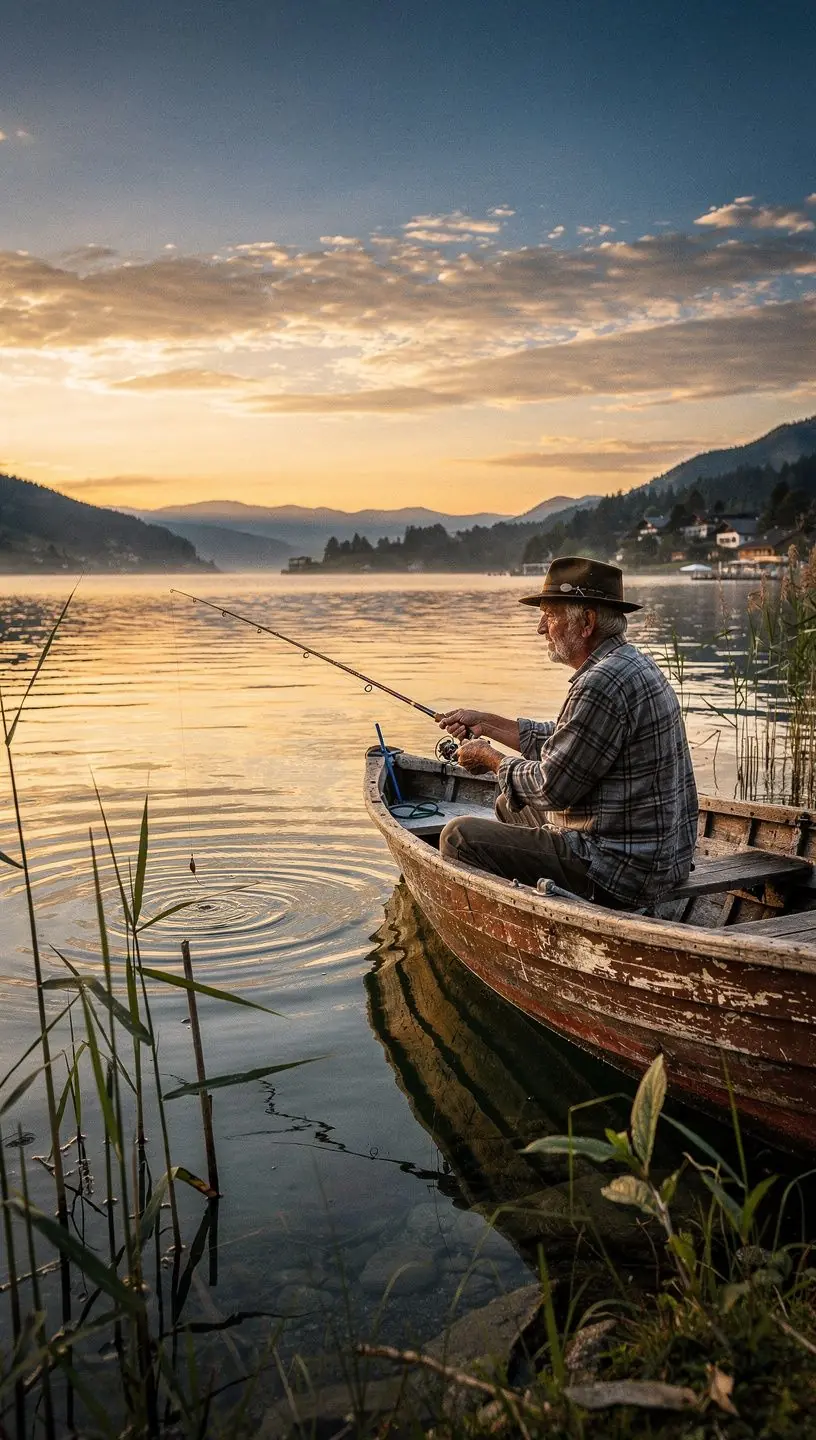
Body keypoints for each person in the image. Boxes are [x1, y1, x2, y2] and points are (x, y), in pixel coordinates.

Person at [437, 556, 698, 910]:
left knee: (458, 837)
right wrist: (487, 724)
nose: (541, 628)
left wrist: (490, 759)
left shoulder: (600, 683)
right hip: (662, 860)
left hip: (621, 871)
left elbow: (550, 787)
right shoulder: (631, 662)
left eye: (550, 615)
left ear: (587, 621)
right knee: (507, 805)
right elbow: (572, 741)